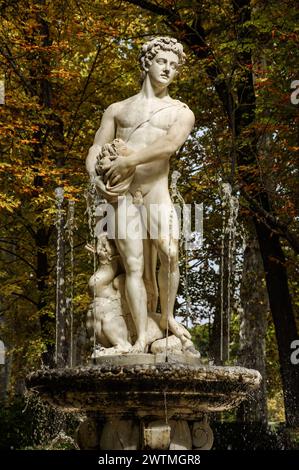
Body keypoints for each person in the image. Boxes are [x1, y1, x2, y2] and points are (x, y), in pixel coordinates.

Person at [86, 37, 195, 353]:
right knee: (132, 265)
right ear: (147, 62)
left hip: (155, 193)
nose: (168, 69)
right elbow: (96, 147)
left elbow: (169, 145)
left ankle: (169, 317)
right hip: (122, 197)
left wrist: (128, 160)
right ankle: (141, 338)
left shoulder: (180, 111)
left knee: (170, 252)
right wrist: (95, 177)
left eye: (174, 65)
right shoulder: (118, 109)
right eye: (163, 61)